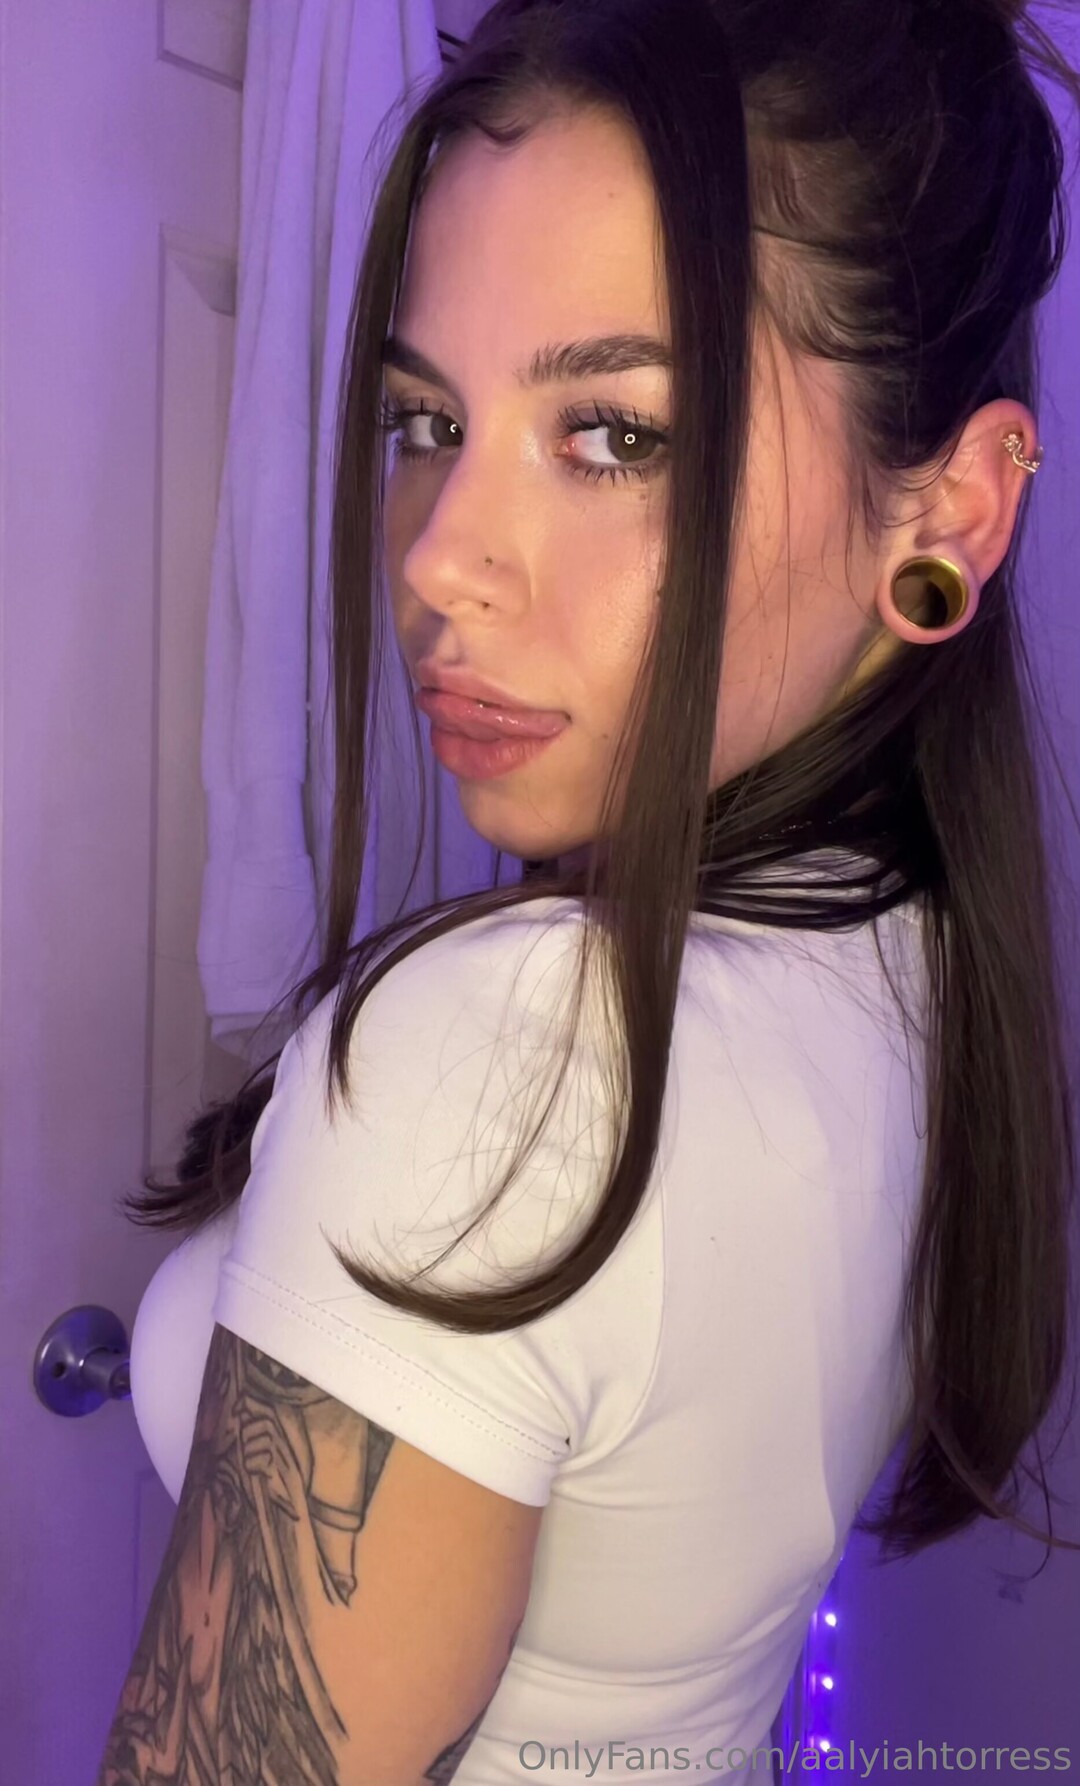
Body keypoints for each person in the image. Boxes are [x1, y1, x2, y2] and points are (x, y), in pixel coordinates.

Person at [102, 0, 1080, 1781]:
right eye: (425, 415)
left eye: (616, 434)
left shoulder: (504, 1058)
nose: (439, 559)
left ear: (947, 508)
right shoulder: (909, 942)